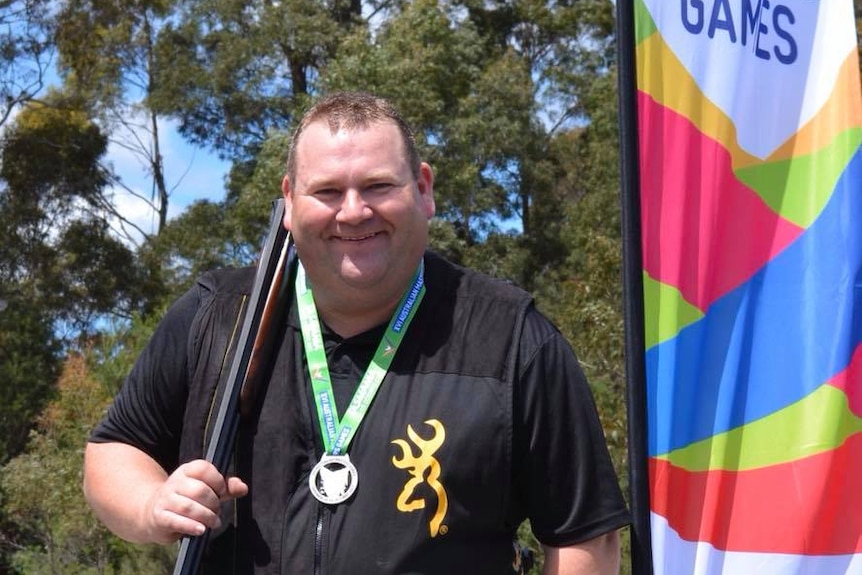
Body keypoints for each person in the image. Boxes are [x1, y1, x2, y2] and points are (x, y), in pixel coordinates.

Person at [84, 91, 630, 574]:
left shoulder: (513, 338)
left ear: (423, 188)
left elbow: (585, 535)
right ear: (290, 201)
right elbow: (113, 450)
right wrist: (152, 507)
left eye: (377, 186)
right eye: (326, 191)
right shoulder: (217, 318)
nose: (352, 212)